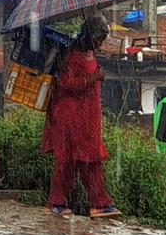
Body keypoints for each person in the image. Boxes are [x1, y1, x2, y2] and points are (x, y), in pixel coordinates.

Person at [42, 16, 121, 218]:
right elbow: (66, 84)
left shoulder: (89, 53)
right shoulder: (70, 56)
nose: (100, 43)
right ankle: (57, 202)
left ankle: (99, 203)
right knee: (67, 160)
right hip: (69, 115)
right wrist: (93, 78)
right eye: (99, 39)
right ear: (89, 35)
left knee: (91, 160)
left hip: (87, 116)